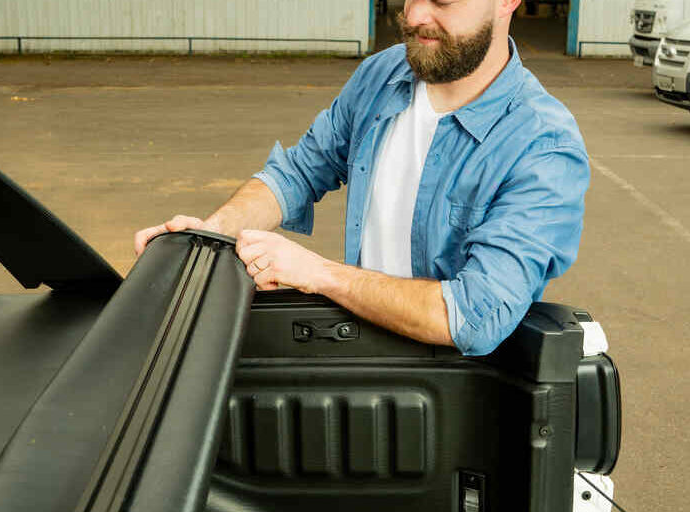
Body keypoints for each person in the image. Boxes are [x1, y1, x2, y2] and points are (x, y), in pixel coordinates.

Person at [134, 0, 589, 356]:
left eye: (442, 0)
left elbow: (473, 316)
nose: (414, 15)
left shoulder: (543, 146)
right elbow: (299, 171)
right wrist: (210, 233)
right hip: (361, 352)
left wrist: (319, 274)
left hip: (452, 394)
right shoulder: (383, 74)